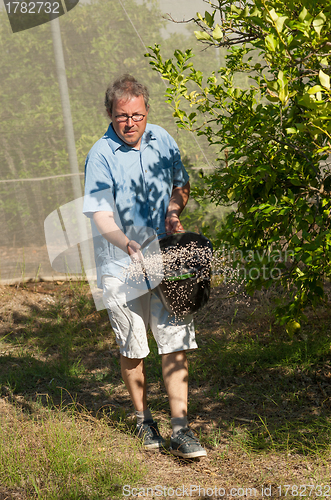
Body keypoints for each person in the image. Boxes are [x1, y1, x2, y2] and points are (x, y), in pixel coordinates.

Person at [83, 74, 206, 459]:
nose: (131, 123)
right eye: (122, 116)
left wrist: (172, 213)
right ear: (110, 114)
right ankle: (143, 418)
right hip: (120, 261)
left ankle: (181, 429)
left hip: (165, 256)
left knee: (175, 340)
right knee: (133, 345)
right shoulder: (100, 154)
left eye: (137, 115)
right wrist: (124, 240)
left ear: (147, 111)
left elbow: (180, 185)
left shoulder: (163, 140)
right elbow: (100, 214)